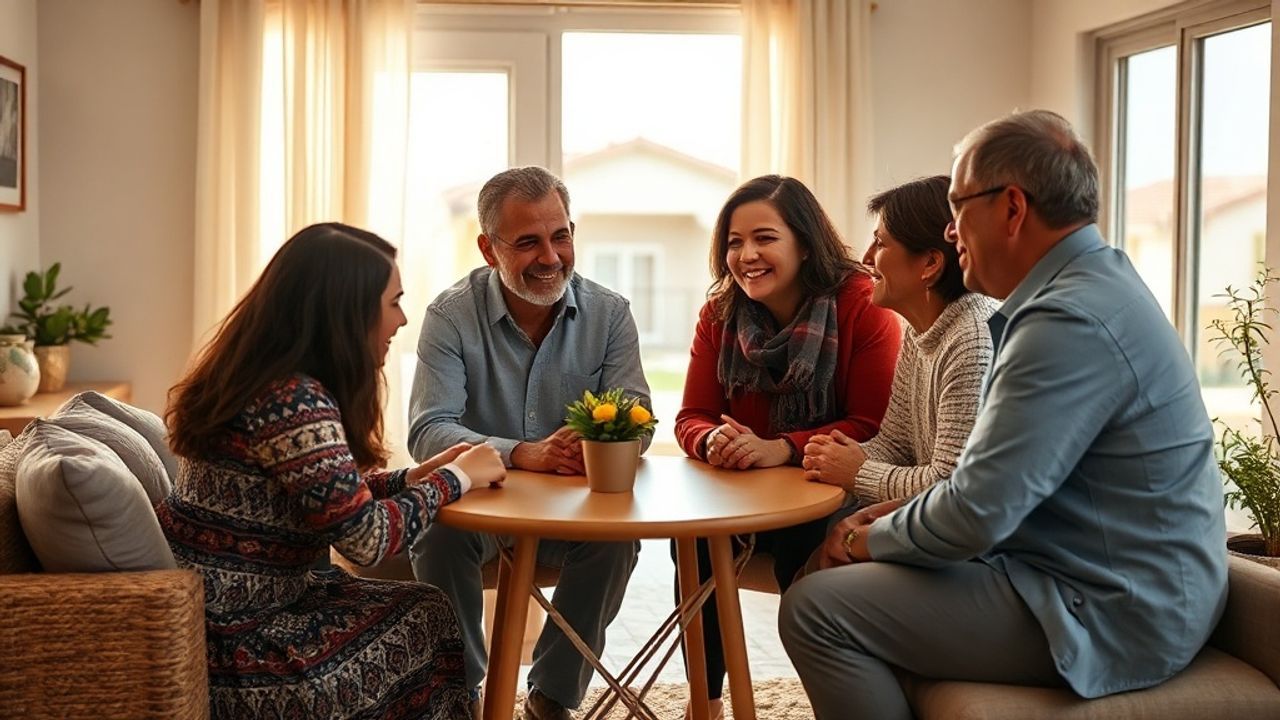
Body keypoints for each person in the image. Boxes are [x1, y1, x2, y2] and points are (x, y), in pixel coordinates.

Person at [780, 110, 1229, 720]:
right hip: (1100, 578)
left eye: (958, 207)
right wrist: (888, 519)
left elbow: (976, 511)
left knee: (814, 609)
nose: (951, 230)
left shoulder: (1064, 321)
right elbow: (986, 487)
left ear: (1012, 208)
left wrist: (866, 540)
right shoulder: (1094, 281)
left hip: (1110, 609)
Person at [158, 222, 506, 720]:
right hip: (240, 645)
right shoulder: (293, 401)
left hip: (237, 615)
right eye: (393, 302)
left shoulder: (264, 380)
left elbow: (331, 493)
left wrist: (418, 476)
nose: (403, 319)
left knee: (426, 607)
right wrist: (457, 480)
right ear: (346, 311)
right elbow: (363, 542)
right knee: (425, 614)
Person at [406, 166, 649, 720]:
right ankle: (458, 696)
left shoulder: (609, 313)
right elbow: (427, 430)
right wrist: (523, 452)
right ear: (489, 250)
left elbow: (639, 419)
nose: (551, 256)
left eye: (561, 235)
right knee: (438, 534)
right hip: (482, 513)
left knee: (618, 541)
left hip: (574, 513)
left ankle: (552, 698)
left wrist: (595, 440)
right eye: (528, 242)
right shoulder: (449, 316)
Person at [673, 174, 902, 718]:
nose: (746, 254)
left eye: (764, 238)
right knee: (693, 540)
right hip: (744, 501)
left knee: (809, 536)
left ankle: (830, 697)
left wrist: (783, 447)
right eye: (733, 241)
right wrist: (714, 441)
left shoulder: (862, 304)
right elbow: (690, 417)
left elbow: (874, 424)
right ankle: (703, 705)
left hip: (828, 495)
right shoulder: (719, 314)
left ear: (804, 241)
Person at [802, 175, 996, 512]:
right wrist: (837, 453)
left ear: (931, 264)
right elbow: (896, 442)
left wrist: (857, 471)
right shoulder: (922, 328)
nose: (865, 257)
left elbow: (952, 486)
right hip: (929, 527)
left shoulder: (973, 341)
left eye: (880, 243)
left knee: (824, 553)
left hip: (976, 552)